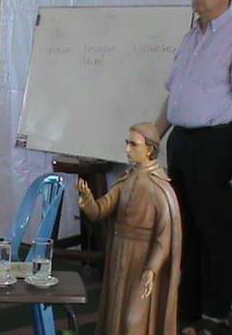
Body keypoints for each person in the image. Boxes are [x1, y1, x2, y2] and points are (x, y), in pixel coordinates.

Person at [154, 0, 232, 335]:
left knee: (215, 229)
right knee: (186, 226)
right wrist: (154, 135)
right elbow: (174, 95)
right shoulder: (191, 37)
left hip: (216, 142)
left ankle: (215, 316)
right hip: (182, 141)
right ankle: (189, 307)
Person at [77, 123, 182, 335]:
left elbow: (164, 239)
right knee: (116, 310)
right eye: (127, 143)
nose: (127, 149)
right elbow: (100, 210)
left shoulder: (161, 190)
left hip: (142, 260)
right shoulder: (125, 181)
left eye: (133, 144)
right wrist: (88, 202)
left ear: (149, 149)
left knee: (134, 319)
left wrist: (151, 269)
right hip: (120, 255)